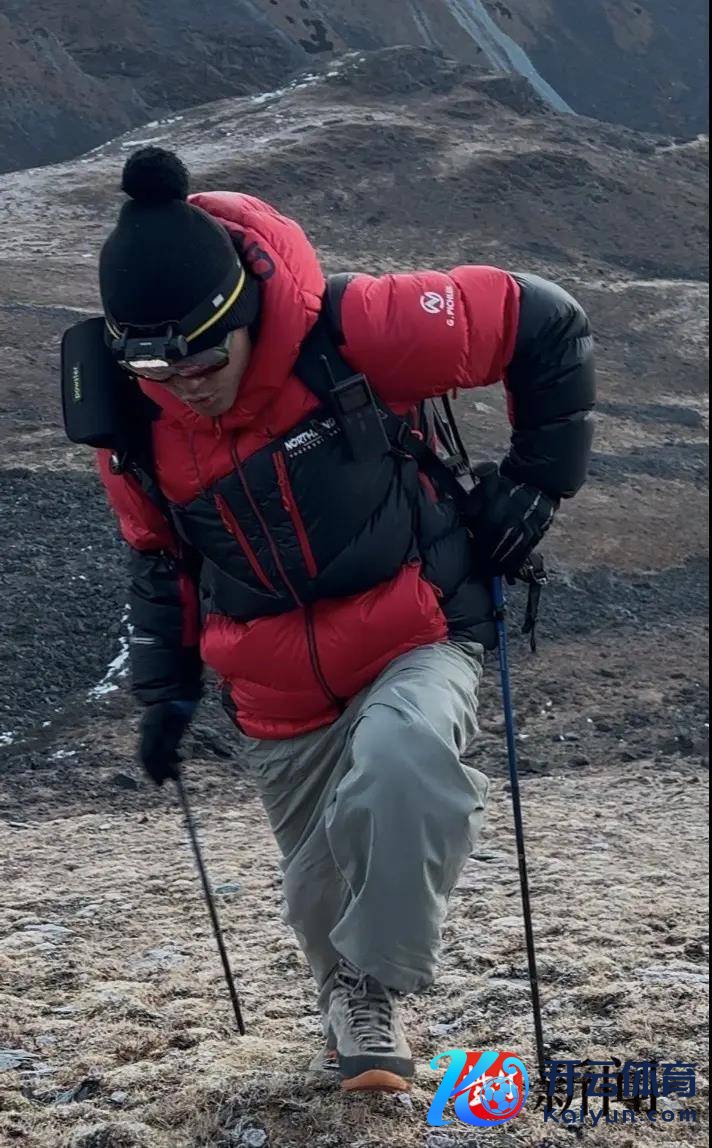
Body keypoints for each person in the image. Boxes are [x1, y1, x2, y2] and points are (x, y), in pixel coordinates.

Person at [92, 146, 595, 1093]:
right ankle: (355, 1005)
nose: (183, 382)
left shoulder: (355, 328)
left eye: (203, 357)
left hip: (414, 631)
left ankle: (377, 982)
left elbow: (546, 321)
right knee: (319, 892)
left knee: (405, 758)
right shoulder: (131, 419)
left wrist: (537, 483)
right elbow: (159, 558)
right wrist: (165, 696)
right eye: (155, 364)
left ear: (242, 311)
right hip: (274, 693)